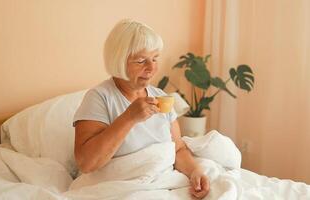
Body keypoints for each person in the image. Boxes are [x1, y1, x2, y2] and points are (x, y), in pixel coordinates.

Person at [73, 19, 210, 199]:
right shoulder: (99, 97)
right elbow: (86, 163)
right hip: (122, 188)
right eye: (140, 61)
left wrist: (195, 172)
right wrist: (129, 117)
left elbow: (177, 149)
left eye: (154, 58)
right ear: (119, 60)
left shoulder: (161, 97)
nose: (151, 68)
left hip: (163, 183)